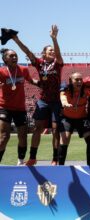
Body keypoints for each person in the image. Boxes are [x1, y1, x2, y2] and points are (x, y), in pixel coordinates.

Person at [12, 25, 63, 166]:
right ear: (44, 54)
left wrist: (54, 40)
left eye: (53, 50)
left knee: (55, 129)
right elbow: (27, 52)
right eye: (50, 50)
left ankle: (55, 158)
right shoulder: (39, 64)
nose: (53, 52)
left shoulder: (57, 64)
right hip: (43, 101)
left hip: (55, 102)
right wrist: (16, 39)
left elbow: (58, 55)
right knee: (37, 129)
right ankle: (33, 157)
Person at [0, 49, 39, 164]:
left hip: (20, 108)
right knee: (3, 137)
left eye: (16, 56)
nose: (14, 58)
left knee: (23, 137)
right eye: (11, 56)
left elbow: (31, 81)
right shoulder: (1, 72)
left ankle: (20, 161)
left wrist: (43, 83)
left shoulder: (23, 69)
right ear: (5, 59)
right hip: (4, 107)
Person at [58, 72, 90, 165]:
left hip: (82, 119)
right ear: (70, 81)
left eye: (81, 79)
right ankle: (60, 166)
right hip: (67, 119)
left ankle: (89, 165)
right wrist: (65, 103)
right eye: (76, 80)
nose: (79, 81)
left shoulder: (84, 90)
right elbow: (62, 96)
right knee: (65, 139)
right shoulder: (66, 89)